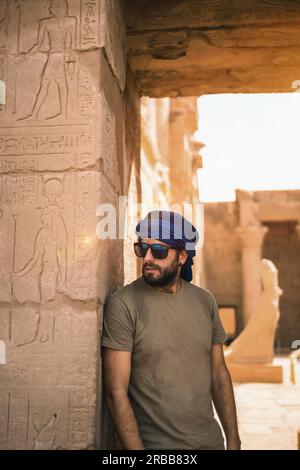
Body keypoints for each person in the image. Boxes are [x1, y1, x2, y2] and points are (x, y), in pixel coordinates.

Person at [101, 210, 241, 450]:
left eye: (159, 251)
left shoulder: (204, 301)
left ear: (182, 257)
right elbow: (116, 393)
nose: (147, 258)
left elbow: (219, 375)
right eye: (141, 249)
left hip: (211, 443)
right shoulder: (123, 305)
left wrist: (234, 439)